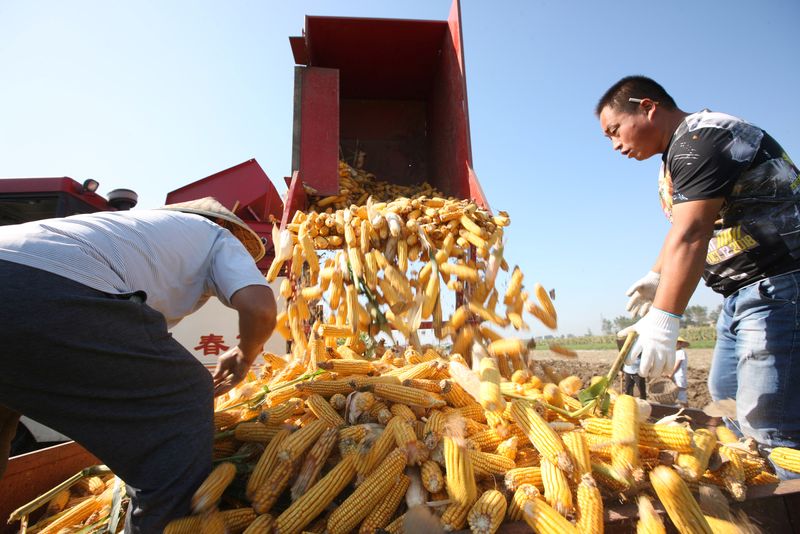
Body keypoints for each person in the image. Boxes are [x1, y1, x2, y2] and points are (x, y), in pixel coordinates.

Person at [0, 197, 277, 532]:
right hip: (40, 286)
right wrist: (245, 353)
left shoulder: (132, 239)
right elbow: (260, 309)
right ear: (224, 227)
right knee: (185, 397)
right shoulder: (215, 235)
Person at [597, 75, 800, 476]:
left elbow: (693, 233)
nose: (616, 145)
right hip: (743, 292)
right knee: (726, 405)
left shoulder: (700, 141)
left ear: (647, 107)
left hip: (779, 286)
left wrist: (664, 317)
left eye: (615, 131)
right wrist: (657, 274)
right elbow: (683, 227)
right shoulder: (677, 153)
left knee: (768, 426)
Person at [667, 337, 690, 407]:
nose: (676, 344)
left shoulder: (681, 352)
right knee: (675, 393)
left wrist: (671, 374)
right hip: (675, 375)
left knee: (681, 394)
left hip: (679, 376)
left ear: (680, 344)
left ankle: (688, 410)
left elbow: (677, 364)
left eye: (678, 343)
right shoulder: (675, 352)